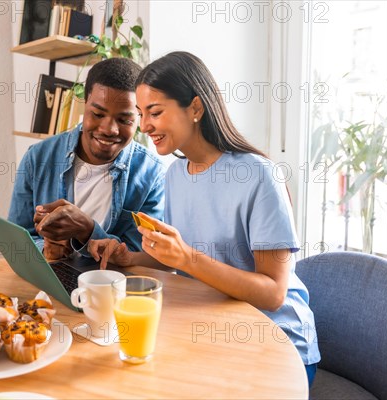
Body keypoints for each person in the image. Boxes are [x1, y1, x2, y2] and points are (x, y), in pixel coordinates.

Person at [88, 52, 320, 386]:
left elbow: (273, 293)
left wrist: (187, 258)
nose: (145, 125)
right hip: (212, 326)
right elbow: (175, 261)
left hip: (276, 341)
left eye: (154, 112)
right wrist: (131, 256)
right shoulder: (176, 175)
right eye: (141, 114)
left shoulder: (258, 175)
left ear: (195, 108)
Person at [8, 58, 165, 261]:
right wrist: (46, 250)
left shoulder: (151, 173)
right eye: (98, 114)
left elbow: (141, 254)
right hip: (49, 281)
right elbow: (15, 241)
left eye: (125, 120)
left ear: (140, 116)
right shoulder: (38, 157)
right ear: (84, 104)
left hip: (114, 288)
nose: (109, 129)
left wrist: (88, 230)